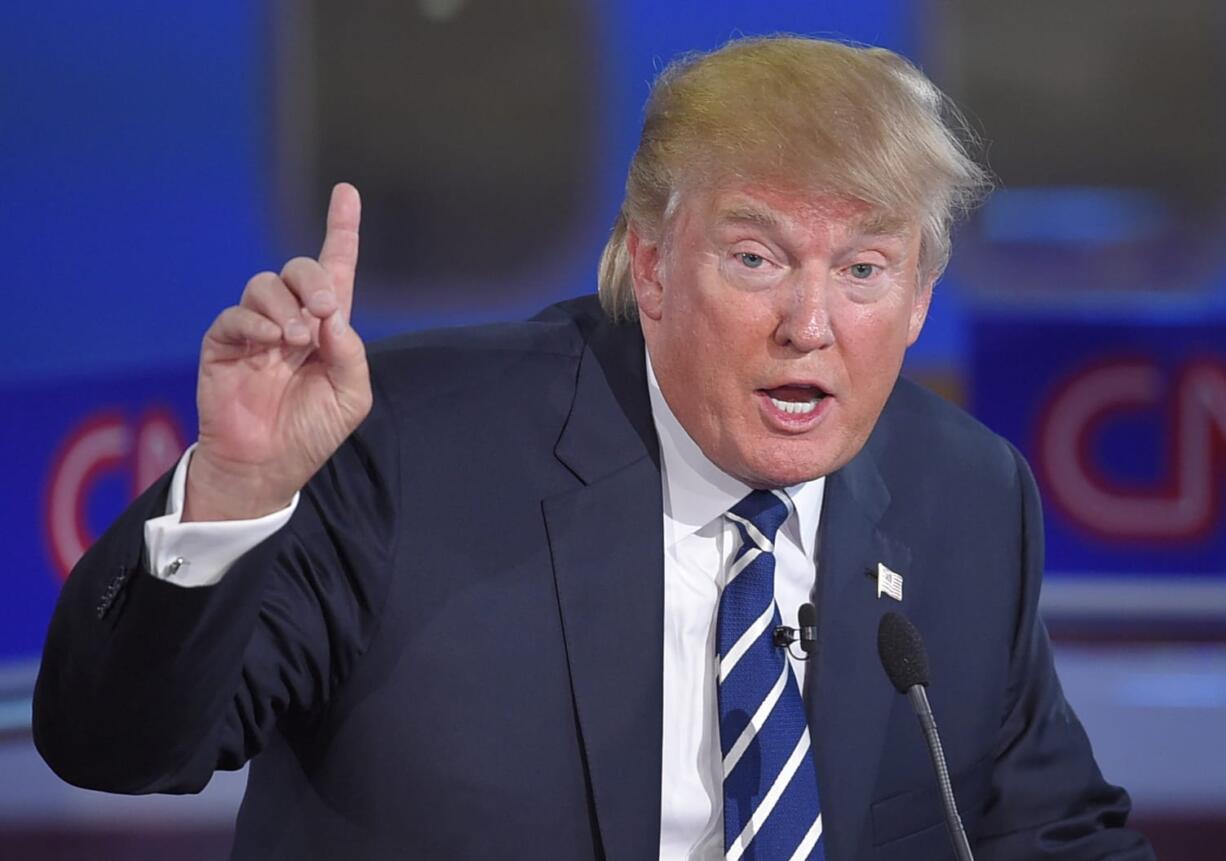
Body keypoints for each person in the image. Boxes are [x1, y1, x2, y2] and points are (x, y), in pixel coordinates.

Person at [34, 36, 1155, 860]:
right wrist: (234, 486)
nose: (809, 325)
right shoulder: (412, 451)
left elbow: (1047, 828)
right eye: (756, 259)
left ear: (917, 300)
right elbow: (121, 750)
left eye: (863, 270)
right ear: (651, 267)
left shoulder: (963, 496)